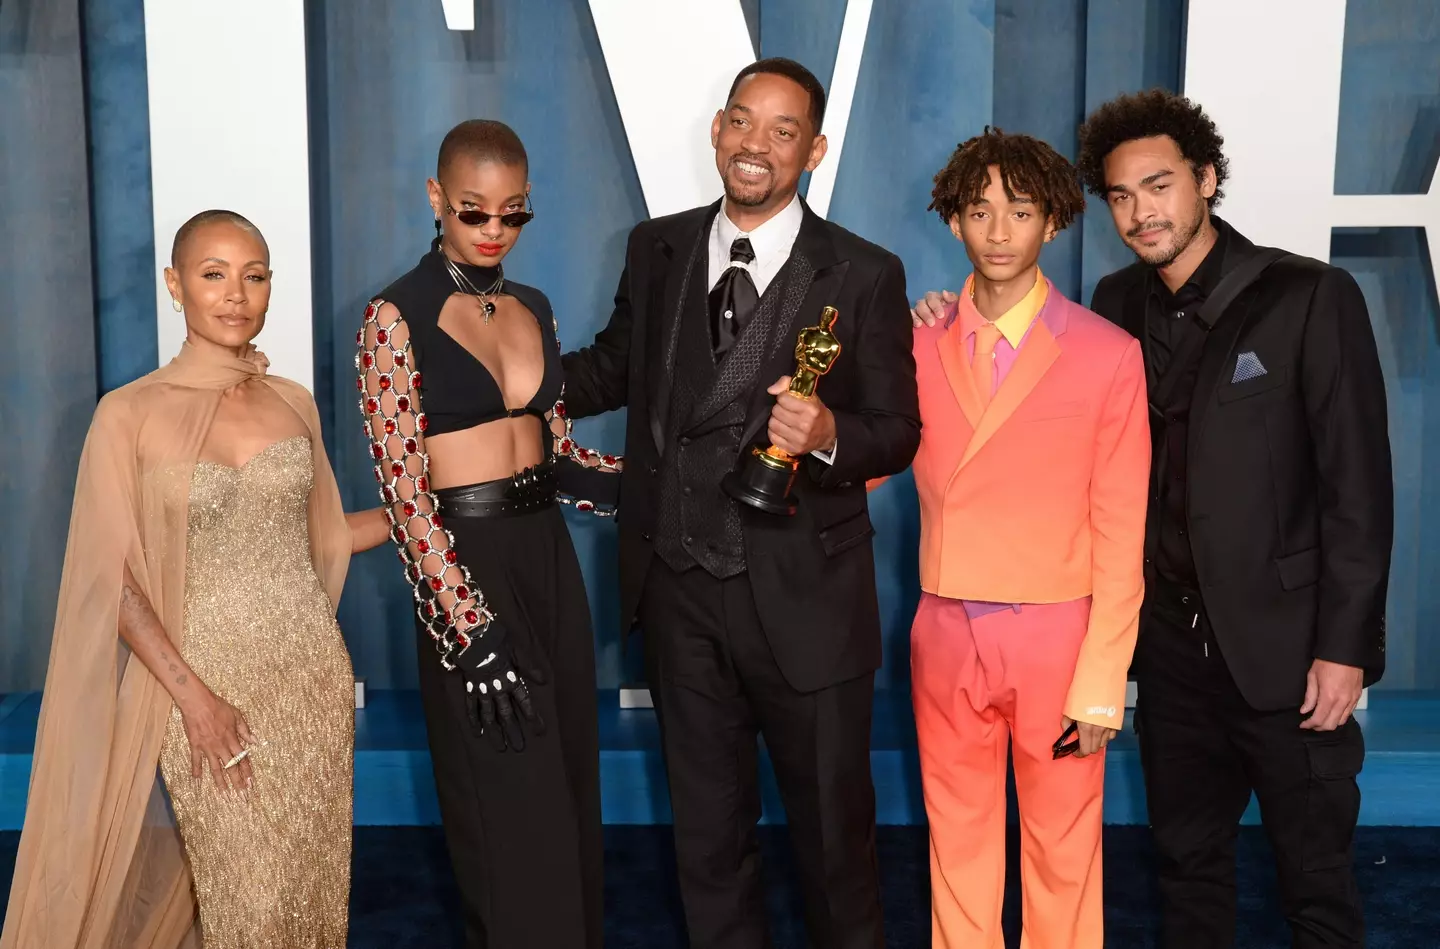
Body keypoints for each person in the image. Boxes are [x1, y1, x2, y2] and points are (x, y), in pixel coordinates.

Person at [915, 90, 1394, 949]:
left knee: (1315, 875)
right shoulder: (1112, 304)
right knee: (1187, 866)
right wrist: (941, 320)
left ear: (1207, 180)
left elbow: (1358, 487)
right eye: (1122, 196)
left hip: (1285, 645)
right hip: (1170, 650)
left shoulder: (1309, 296)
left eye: (1160, 186)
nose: (1142, 212)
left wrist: (1345, 647)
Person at [560, 58, 920, 949]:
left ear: (815, 148)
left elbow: (899, 430)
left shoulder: (864, 273)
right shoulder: (657, 246)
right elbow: (611, 367)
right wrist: (498, 368)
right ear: (717, 131)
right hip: (681, 590)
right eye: (741, 122)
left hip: (806, 600)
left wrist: (831, 431)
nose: (756, 145)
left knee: (836, 848)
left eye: (782, 129)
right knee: (708, 845)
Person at [2, 210, 387, 949]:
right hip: (201, 691)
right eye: (214, 274)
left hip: (309, 680)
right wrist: (195, 698)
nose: (236, 294)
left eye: (255, 275)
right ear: (175, 286)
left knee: (309, 895)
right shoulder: (129, 415)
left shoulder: (293, 401)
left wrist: (436, 512)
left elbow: (329, 537)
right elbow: (108, 580)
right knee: (250, 902)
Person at [358, 119, 617, 949]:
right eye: (474, 213)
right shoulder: (392, 318)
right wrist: (466, 628)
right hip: (466, 573)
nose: (494, 231)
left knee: (570, 793)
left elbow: (561, 447)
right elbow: (404, 491)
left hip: (548, 561)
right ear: (438, 199)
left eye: (514, 214)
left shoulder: (532, 306)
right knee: (508, 813)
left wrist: (663, 491)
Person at [891, 128, 1149, 949]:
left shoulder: (1109, 354)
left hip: (1060, 637)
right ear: (953, 221)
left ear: (1054, 221)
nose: (999, 230)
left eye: (1021, 210)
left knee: (1063, 849)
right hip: (943, 626)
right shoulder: (912, 343)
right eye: (979, 210)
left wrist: (1105, 681)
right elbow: (857, 466)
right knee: (955, 837)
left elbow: (1121, 528)